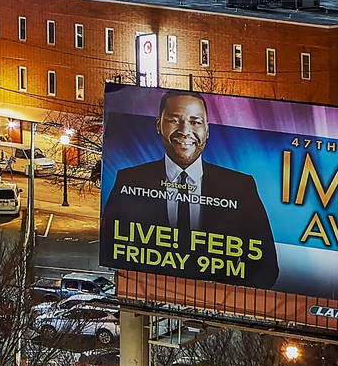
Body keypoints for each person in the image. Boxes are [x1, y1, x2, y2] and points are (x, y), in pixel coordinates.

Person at [101, 90, 278, 288]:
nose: (185, 131)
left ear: (207, 130)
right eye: (174, 120)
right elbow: (110, 249)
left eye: (195, 122)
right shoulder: (129, 180)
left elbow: (266, 266)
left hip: (216, 308)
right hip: (151, 298)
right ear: (158, 125)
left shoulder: (240, 187)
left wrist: (224, 300)